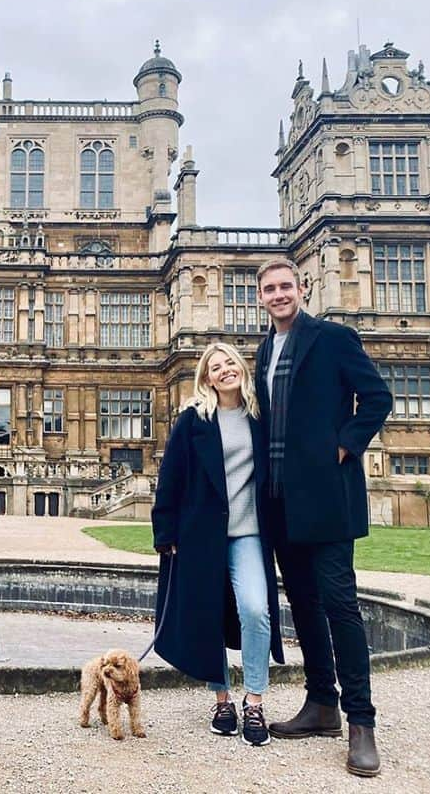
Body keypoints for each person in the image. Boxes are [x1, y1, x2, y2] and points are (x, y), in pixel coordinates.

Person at [253, 257, 392, 777]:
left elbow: (377, 398)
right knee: (305, 605)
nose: (279, 294)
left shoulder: (334, 337)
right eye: (269, 289)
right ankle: (321, 704)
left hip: (328, 497)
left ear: (302, 288)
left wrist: (345, 446)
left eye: (286, 286)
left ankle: (362, 722)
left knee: (340, 605)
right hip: (281, 498)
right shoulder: (265, 348)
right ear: (260, 296)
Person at [151, 342, 285, 747]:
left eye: (229, 363)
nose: (224, 370)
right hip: (202, 533)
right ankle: (222, 700)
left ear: (241, 368)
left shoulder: (262, 416)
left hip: (248, 531)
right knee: (208, 614)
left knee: (255, 610)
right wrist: (166, 533)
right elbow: (170, 477)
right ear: (206, 378)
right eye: (215, 366)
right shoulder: (194, 418)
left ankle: (255, 700)